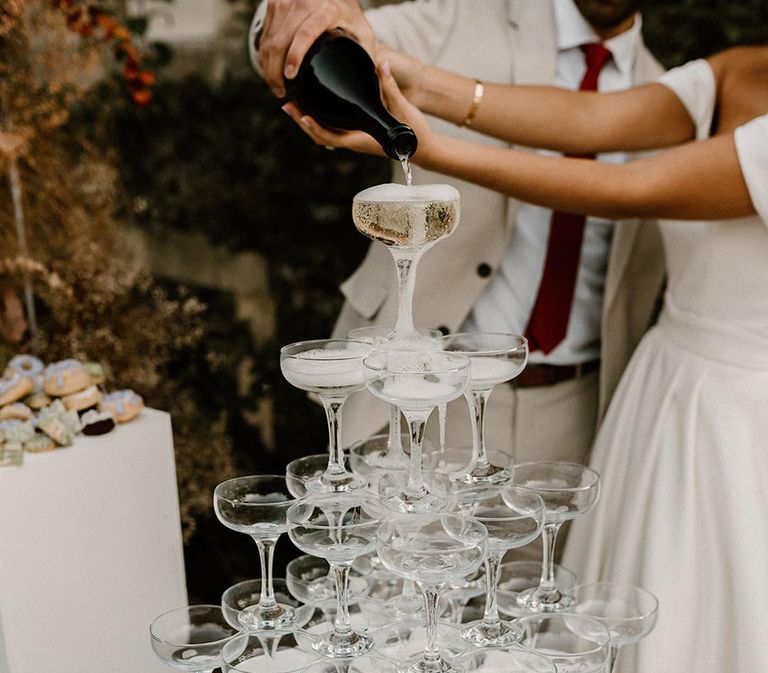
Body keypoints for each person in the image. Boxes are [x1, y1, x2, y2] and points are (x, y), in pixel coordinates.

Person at [282, 41, 768, 673]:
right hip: (662, 400)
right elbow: (589, 122)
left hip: (742, 421)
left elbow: (629, 188)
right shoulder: (740, 68)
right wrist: (422, 84)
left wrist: (424, 146)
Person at [254, 0, 665, 463]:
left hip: (579, 413)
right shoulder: (462, 15)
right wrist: (295, 14)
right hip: (421, 387)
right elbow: (319, 34)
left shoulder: (674, 99)